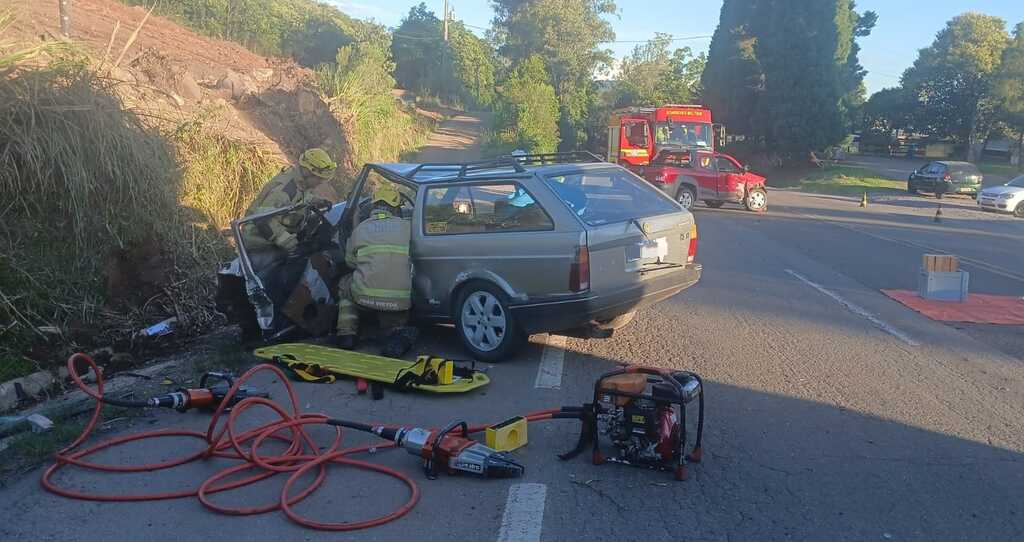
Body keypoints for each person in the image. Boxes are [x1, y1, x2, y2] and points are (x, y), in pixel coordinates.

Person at [335, 184, 416, 356]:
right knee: (395, 325)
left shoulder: (360, 230)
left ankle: (346, 334)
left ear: (373, 205)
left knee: (344, 284)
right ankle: (394, 335)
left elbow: (350, 262)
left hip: (365, 298)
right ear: (395, 207)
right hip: (398, 303)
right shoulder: (407, 228)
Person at [241, 148, 340, 254]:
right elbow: (262, 219)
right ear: (307, 172)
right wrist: (290, 243)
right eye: (319, 178)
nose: (321, 182)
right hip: (258, 243)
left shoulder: (300, 181)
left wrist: (317, 201)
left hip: (275, 236)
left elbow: (299, 198)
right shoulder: (284, 191)